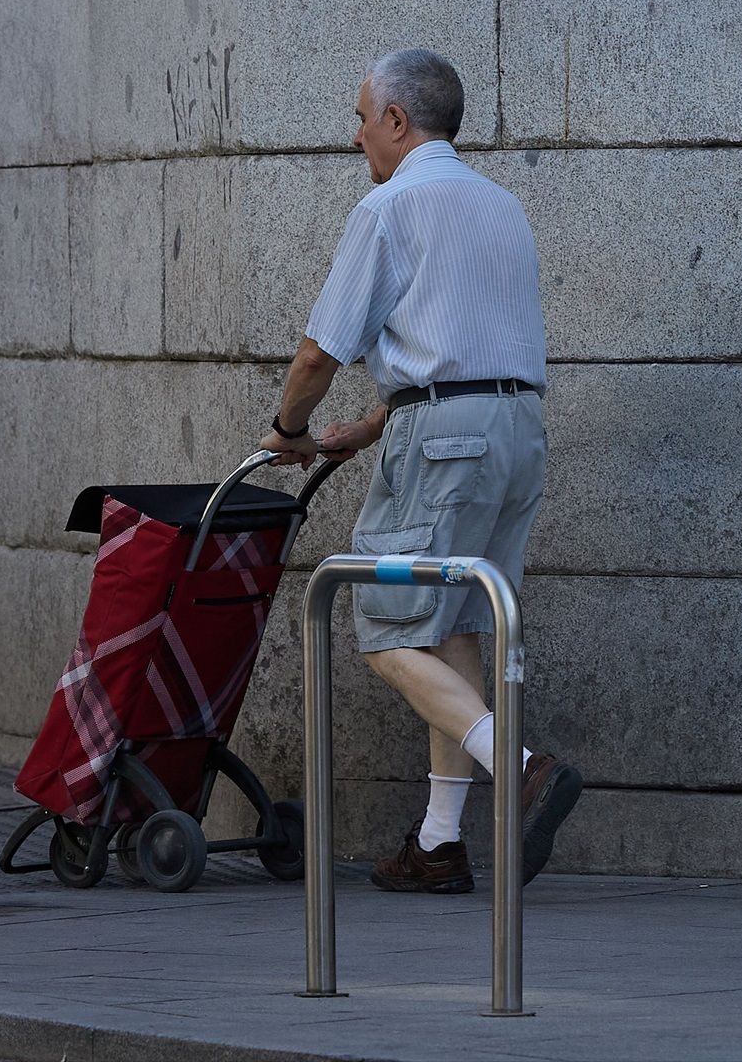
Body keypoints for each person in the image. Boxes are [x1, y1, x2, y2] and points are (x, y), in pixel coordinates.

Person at [257, 48, 582, 894]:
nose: (358, 135)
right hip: (516, 430)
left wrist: (288, 428)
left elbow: (320, 351)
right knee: (454, 626)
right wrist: (372, 426)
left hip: (446, 440)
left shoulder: (390, 206)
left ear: (397, 121)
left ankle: (520, 767)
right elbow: (470, 350)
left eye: (363, 117)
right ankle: (439, 843)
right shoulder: (501, 205)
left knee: (387, 624)